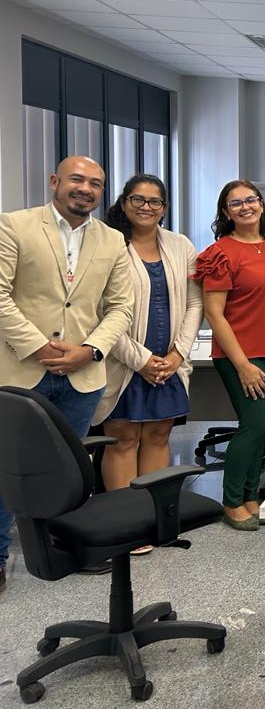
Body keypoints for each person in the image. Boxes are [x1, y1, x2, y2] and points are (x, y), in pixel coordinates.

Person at [0, 156, 133, 587]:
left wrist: (90, 350)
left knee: (71, 469)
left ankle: (71, 545)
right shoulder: (14, 226)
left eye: (96, 183)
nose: (86, 188)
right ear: (55, 181)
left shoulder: (113, 239)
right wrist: (38, 346)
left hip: (82, 376)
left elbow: (121, 307)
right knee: (9, 469)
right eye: (77, 179)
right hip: (22, 371)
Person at [94, 175, 202, 559]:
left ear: (164, 208)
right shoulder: (106, 243)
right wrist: (139, 360)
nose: (146, 207)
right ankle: (126, 527)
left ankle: (152, 520)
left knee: (158, 436)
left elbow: (195, 303)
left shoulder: (180, 245)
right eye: (138, 199)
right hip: (122, 361)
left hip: (168, 362)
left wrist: (178, 354)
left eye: (155, 201)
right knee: (123, 438)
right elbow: (99, 311)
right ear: (124, 203)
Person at [194, 180, 265, 530]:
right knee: (252, 426)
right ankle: (232, 501)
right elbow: (214, 314)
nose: (245, 207)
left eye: (250, 200)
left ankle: (252, 497)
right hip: (241, 354)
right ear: (226, 212)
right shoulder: (220, 253)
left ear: (261, 203)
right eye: (235, 203)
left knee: (261, 426)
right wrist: (242, 365)